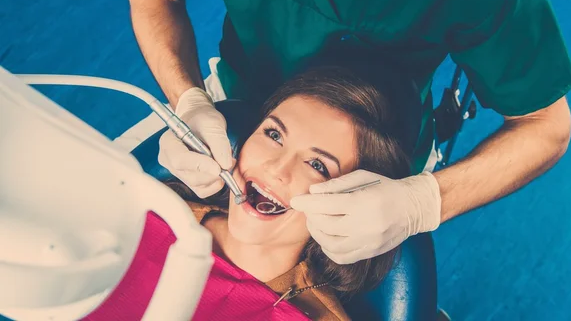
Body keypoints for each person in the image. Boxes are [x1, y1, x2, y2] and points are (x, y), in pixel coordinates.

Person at [129, 0, 571, 265]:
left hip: (386, 150)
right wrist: (187, 99)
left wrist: (422, 203)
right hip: (237, 97)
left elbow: (545, 126)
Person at [85, 61, 423, 320]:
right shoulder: (141, 206)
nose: (276, 168)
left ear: (352, 205)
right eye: (274, 135)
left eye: (317, 165)